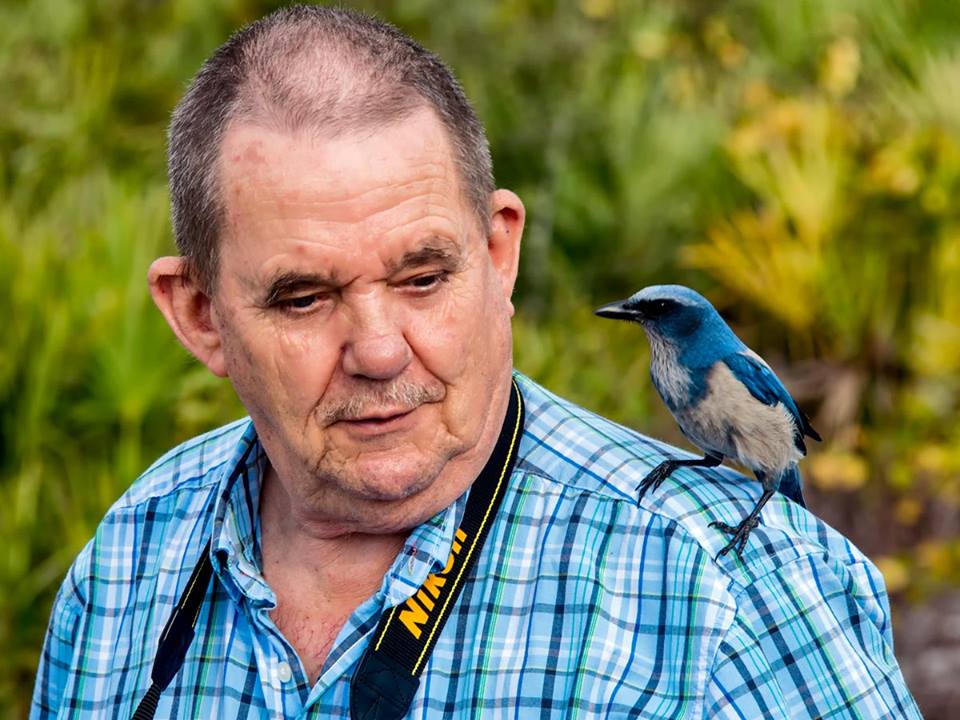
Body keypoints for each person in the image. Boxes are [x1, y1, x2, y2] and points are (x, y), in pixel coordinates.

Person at [31, 5, 921, 719]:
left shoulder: (734, 594)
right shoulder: (132, 554)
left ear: (500, 256)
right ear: (199, 315)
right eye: (303, 299)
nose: (380, 352)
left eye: (423, 277)